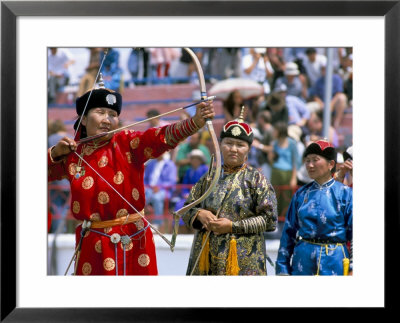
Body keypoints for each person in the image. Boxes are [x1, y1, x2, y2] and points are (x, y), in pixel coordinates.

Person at [48, 85, 215, 276]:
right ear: (84, 119)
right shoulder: (71, 153)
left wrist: (194, 122)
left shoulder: (127, 142)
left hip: (134, 241)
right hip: (93, 245)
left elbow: (159, 138)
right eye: (100, 112)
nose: (107, 119)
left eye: (112, 114)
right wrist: (54, 153)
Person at [181, 109, 278, 275]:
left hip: (244, 261)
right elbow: (185, 209)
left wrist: (233, 226)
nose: (233, 149)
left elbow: (269, 220)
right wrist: (199, 214)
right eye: (229, 143)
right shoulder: (209, 177)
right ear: (220, 145)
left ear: (248, 149)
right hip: (207, 260)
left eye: (240, 145)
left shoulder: (257, 180)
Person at [275, 139, 353, 275]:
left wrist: (353, 267)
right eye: (307, 160)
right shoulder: (300, 194)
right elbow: (288, 233)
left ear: (331, 164)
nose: (310, 165)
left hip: (334, 262)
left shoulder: (346, 194)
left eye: (315, 160)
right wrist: (282, 268)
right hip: (303, 262)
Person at [269, 122, 299, 220]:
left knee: (287, 197)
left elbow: (295, 161)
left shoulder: (292, 143)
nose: (273, 132)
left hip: (288, 173)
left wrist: (294, 177)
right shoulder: (274, 143)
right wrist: (271, 156)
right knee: (275, 197)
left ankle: (286, 219)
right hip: (276, 172)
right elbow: (271, 161)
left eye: (275, 130)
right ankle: (275, 219)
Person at [308, 62, 348, 128]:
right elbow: (315, 96)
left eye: (325, 69)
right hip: (322, 104)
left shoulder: (336, 78)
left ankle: (336, 121)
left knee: (342, 98)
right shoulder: (318, 81)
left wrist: (331, 104)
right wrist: (322, 104)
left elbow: (339, 93)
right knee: (309, 107)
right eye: (322, 69)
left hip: (334, 103)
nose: (324, 70)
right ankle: (313, 129)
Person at [144, 152, 177, 228]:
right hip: (149, 189)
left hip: (164, 190)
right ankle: (140, 221)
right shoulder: (151, 164)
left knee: (157, 198)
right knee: (140, 198)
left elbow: (171, 181)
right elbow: (145, 179)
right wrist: (146, 187)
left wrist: (159, 187)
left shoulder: (170, 165)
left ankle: (157, 224)